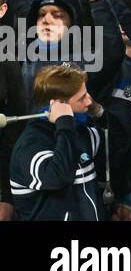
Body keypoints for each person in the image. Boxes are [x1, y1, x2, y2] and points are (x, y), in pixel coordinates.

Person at [7, 64, 106, 221]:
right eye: (82, 98)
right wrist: (65, 123)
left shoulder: (81, 132)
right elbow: (58, 177)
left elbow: (116, 143)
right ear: (58, 105)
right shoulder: (29, 146)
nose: (89, 102)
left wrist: (98, 112)